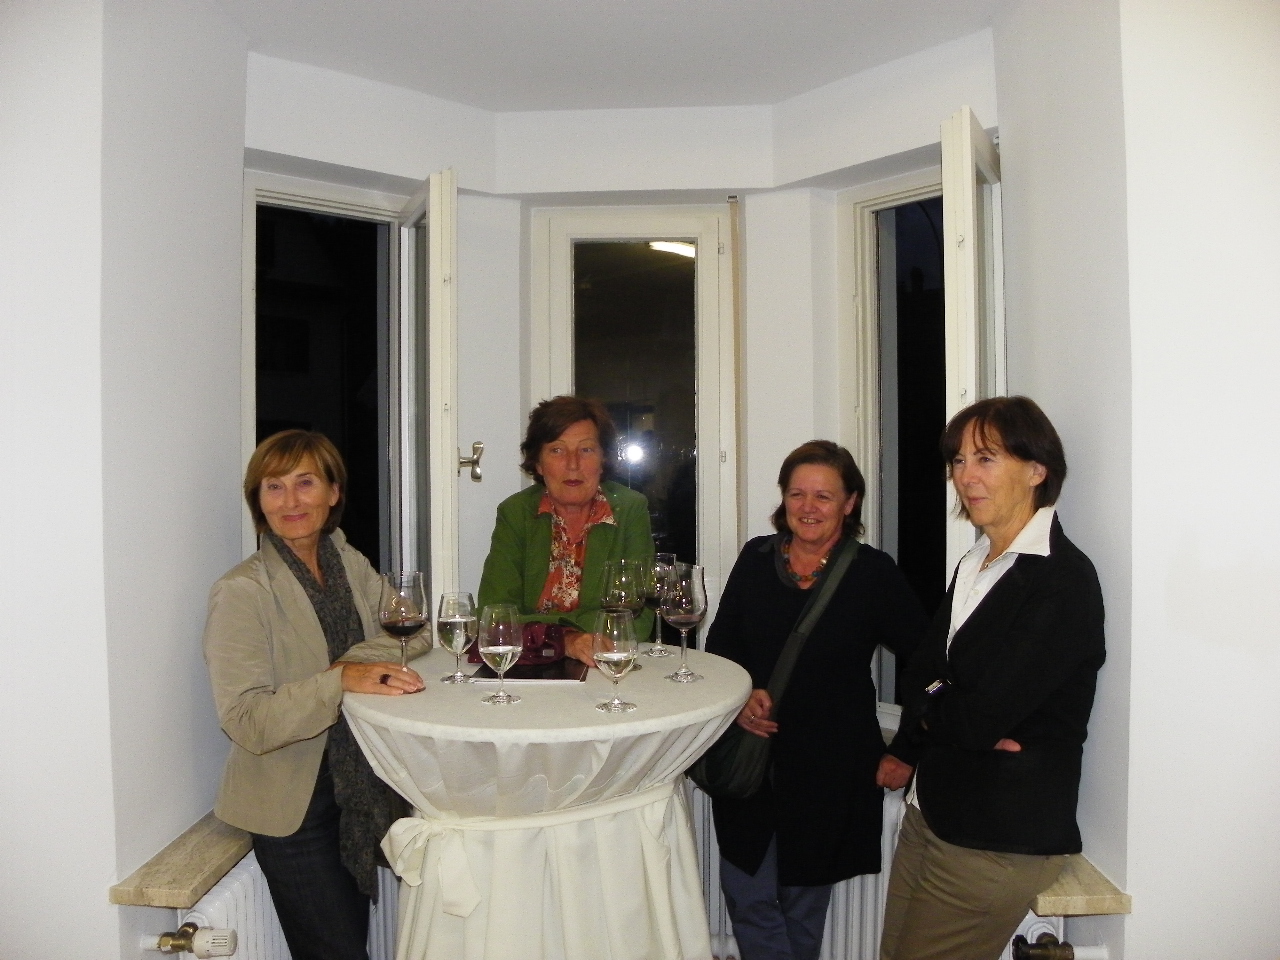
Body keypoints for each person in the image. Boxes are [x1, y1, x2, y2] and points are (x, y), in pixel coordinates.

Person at [876, 397, 1106, 960]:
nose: (965, 476)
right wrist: (943, 705)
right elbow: (922, 674)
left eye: (985, 458)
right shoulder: (975, 562)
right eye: (958, 461)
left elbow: (975, 717)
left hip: (994, 838)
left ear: (1036, 469)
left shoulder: (1061, 581)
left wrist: (941, 706)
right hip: (931, 811)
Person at [203, 430, 430, 960]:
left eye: (305, 482)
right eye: (274, 486)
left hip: (358, 788)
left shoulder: (345, 560)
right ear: (258, 502)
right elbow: (247, 720)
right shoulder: (241, 591)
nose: (290, 500)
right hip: (292, 805)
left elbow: (415, 631)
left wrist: (350, 664)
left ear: (333, 492)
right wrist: (340, 680)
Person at [706, 441, 928, 960]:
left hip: (829, 768)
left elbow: (927, 663)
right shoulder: (756, 558)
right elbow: (721, 647)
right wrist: (740, 698)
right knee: (747, 898)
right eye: (796, 494)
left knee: (802, 909)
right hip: (751, 761)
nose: (807, 507)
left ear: (850, 503)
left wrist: (909, 748)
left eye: (823, 496)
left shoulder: (872, 573)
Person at [478, 395, 654, 664]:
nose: (573, 464)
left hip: (608, 661)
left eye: (586, 450)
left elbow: (639, 618)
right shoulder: (516, 513)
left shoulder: (630, 509)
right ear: (538, 463)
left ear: (603, 459)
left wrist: (541, 627)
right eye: (557, 450)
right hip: (531, 663)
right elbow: (494, 616)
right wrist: (566, 639)